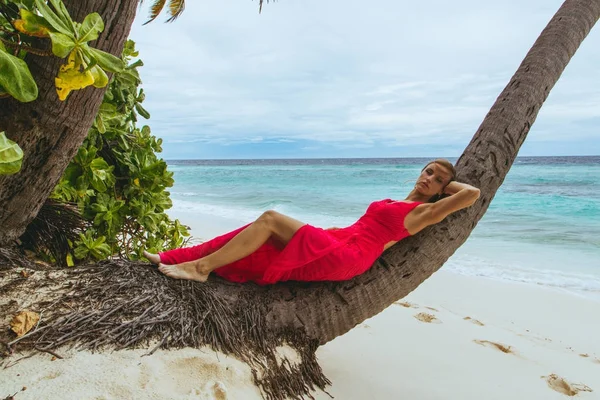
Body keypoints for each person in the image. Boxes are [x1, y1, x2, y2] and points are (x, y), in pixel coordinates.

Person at [144, 159, 480, 285]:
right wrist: (438, 180)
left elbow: (472, 194)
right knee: (258, 231)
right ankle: (177, 257)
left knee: (271, 218)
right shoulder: (399, 201)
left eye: (437, 180)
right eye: (429, 171)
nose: (430, 178)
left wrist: (449, 186)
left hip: (351, 256)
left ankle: (200, 268)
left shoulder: (422, 212)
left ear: (440, 191)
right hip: (338, 241)